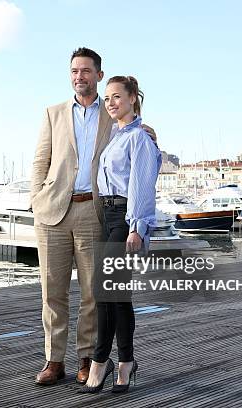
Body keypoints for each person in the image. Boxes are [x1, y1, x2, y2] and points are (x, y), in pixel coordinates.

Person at [31, 48, 157, 386]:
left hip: (94, 210)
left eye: (86, 71)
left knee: (93, 291)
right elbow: (40, 160)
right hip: (53, 211)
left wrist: (149, 133)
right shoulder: (53, 113)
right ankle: (53, 360)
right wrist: (36, 199)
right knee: (52, 291)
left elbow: (138, 145)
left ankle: (86, 359)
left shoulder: (111, 115)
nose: (79, 76)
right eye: (74, 70)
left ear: (98, 76)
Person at [79, 75, 161, 393]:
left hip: (125, 217)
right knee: (111, 295)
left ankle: (108, 361)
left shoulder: (139, 137)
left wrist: (136, 227)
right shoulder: (115, 135)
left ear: (132, 99)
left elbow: (142, 185)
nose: (111, 102)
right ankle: (118, 361)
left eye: (117, 97)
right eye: (108, 97)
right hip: (107, 216)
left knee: (110, 293)